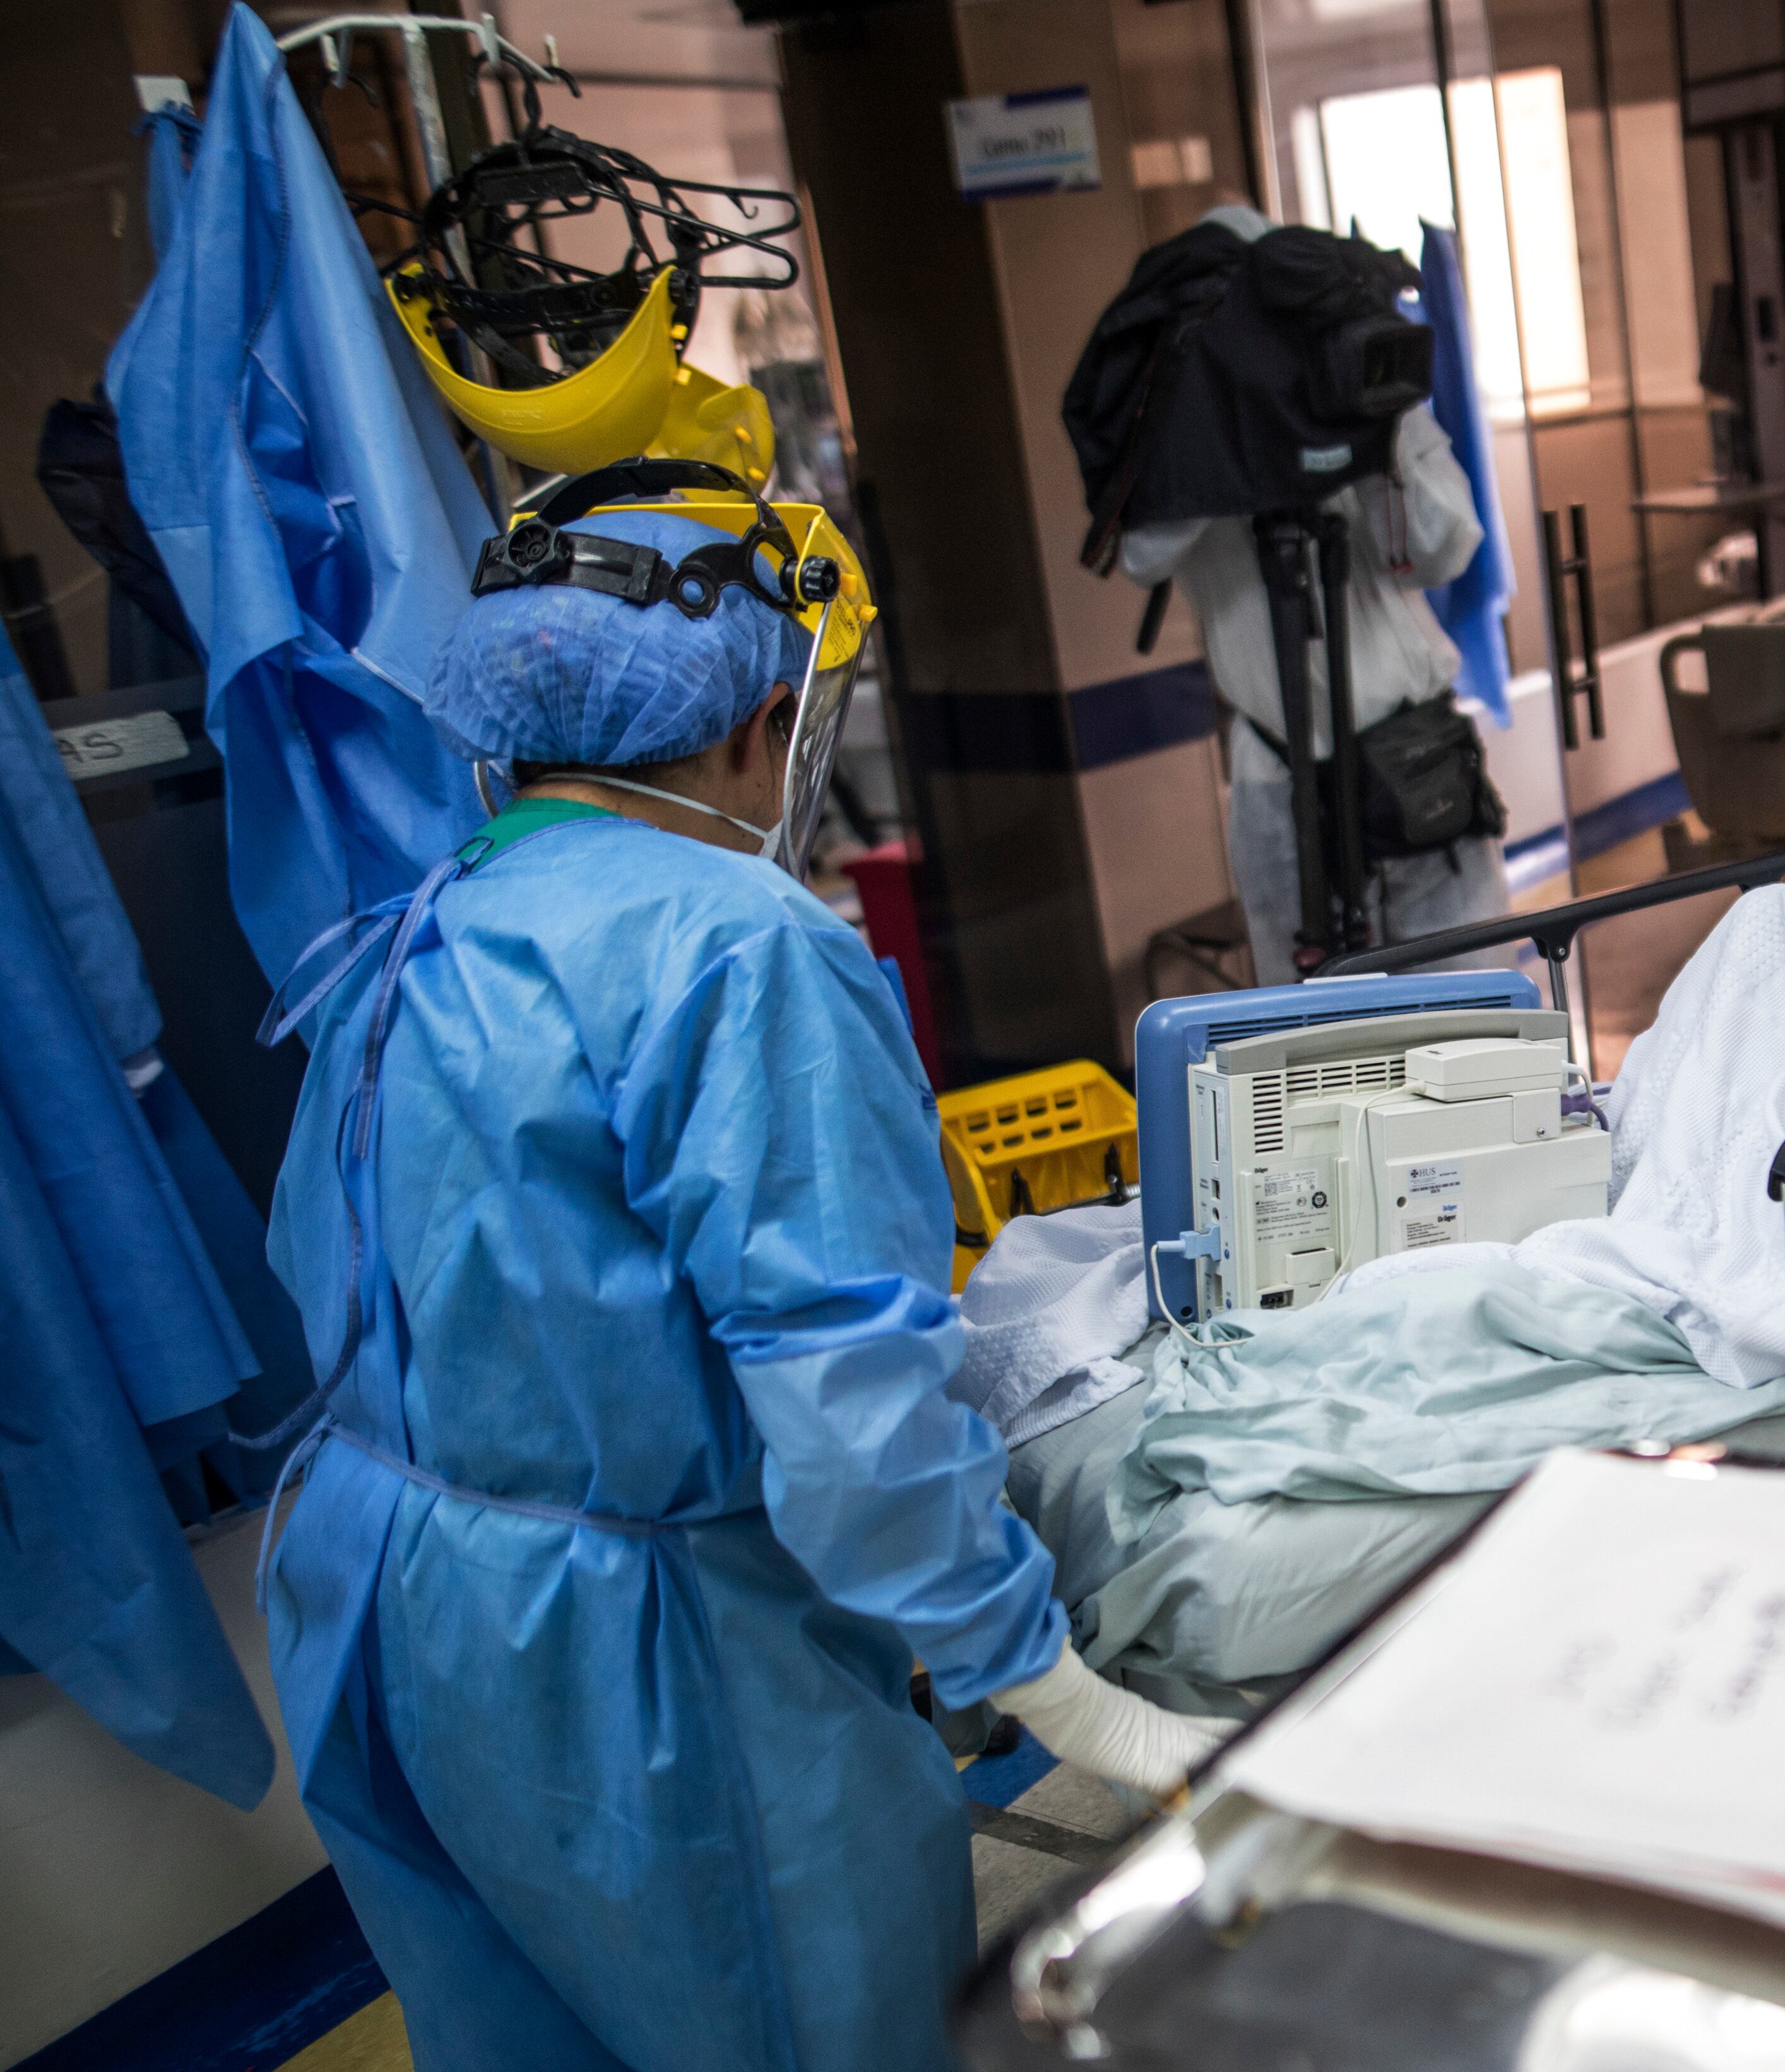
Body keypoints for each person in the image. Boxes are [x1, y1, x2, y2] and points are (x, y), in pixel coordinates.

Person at [255, 472, 1230, 2072]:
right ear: (762, 722)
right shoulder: (736, 945)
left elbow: (328, 1262)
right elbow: (845, 1388)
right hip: (640, 1666)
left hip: (381, 1602)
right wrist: (1044, 1683)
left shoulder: (420, 924)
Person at [1120, 205, 1507, 987]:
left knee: (1470, 1017)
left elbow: (1447, 547)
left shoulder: (1357, 396)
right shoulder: (1186, 420)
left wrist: (1368, 440)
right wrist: (1224, 447)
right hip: (1277, 772)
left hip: (1413, 754)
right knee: (1312, 1040)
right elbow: (1138, 552)